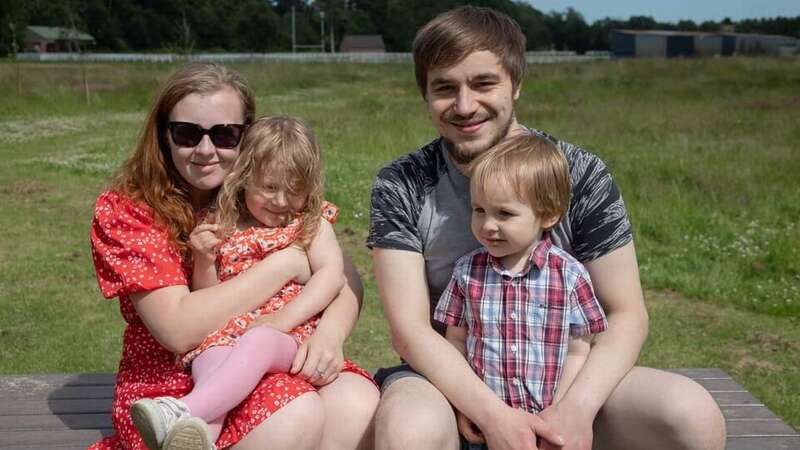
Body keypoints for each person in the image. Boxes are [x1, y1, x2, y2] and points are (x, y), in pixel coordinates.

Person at [367, 6, 725, 450]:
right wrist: (491, 414)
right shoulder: (402, 182)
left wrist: (573, 411)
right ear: (425, 93)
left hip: (564, 378)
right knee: (407, 430)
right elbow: (411, 328)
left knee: (691, 415)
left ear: (515, 85)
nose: (464, 106)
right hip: (446, 384)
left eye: (483, 83)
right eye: (445, 88)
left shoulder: (579, 173)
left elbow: (626, 313)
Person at [90, 63, 378, 450]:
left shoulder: (269, 194)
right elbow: (178, 331)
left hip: (279, 344)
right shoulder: (131, 211)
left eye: (225, 135)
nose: (206, 150)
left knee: (357, 404)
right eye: (187, 133)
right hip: (176, 372)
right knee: (297, 413)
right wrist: (284, 266)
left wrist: (330, 333)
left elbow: (344, 277)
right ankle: (183, 422)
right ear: (164, 136)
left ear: (248, 138)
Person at [434, 134, 608, 449]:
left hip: (550, 426)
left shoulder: (569, 276)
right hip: (485, 425)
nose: (488, 225)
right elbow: (455, 343)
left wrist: (562, 411)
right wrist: (466, 406)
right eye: (479, 210)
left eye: (504, 214)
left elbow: (578, 350)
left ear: (549, 214)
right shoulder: (467, 273)